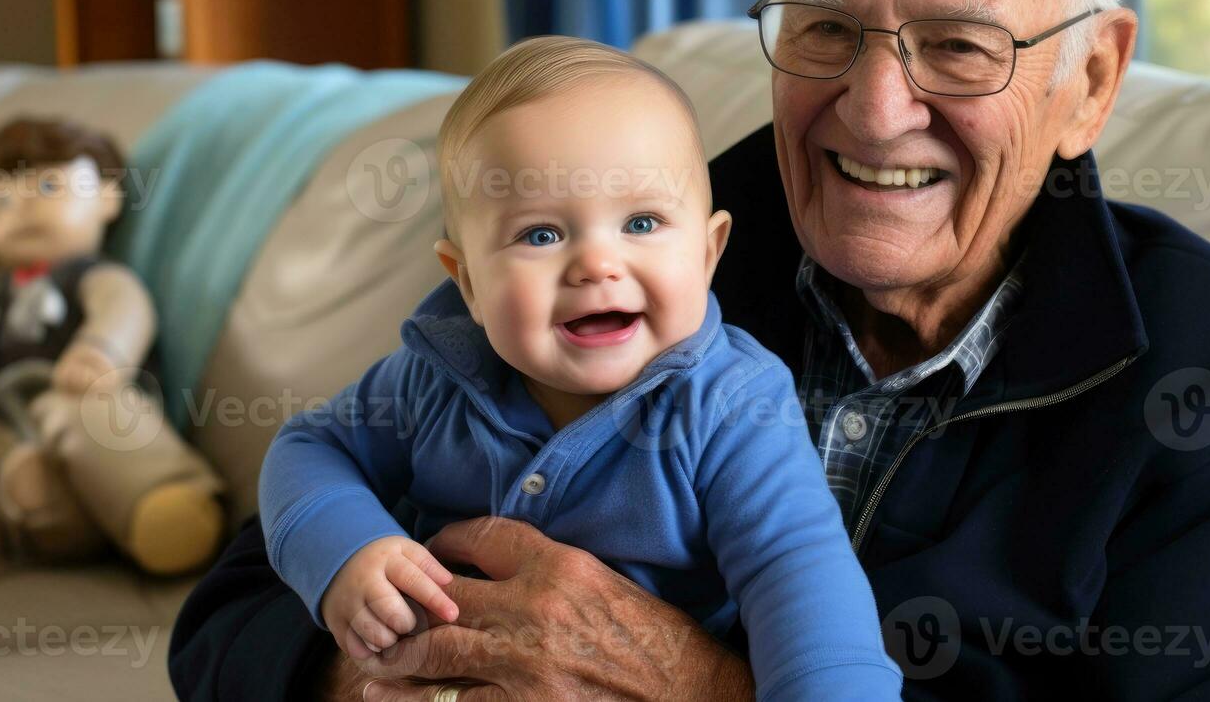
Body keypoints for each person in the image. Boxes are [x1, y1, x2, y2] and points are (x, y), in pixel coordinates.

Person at [171, 0, 1210, 701]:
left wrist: (691, 682)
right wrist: (400, 662)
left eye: (958, 43)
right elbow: (229, 613)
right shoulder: (624, 252)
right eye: (826, 25)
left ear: (1089, 79)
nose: (877, 106)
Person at [255, 37, 901, 700]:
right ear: (468, 282)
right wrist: (346, 554)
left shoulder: (733, 405)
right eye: (541, 234)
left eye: (642, 222)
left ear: (708, 255)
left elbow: (799, 575)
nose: (597, 264)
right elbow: (309, 449)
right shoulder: (434, 378)